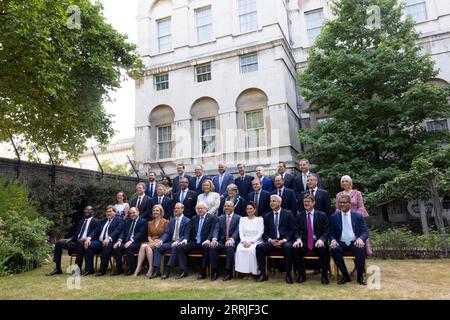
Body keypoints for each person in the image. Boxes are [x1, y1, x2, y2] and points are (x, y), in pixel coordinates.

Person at [46, 206, 100, 276]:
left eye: (88, 210)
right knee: (58, 243)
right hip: (76, 243)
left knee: (80, 242)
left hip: (86, 244)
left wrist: (87, 238)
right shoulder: (81, 222)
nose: (86, 211)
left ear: (92, 212)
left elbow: (94, 232)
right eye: (85, 210)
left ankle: (78, 268)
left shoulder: (96, 221)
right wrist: (70, 239)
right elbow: (77, 234)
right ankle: (57, 268)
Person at [329, 195, 369, 285]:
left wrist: (360, 239)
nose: (342, 204)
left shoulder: (358, 216)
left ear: (349, 204)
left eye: (344, 202)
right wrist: (333, 240)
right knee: (334, 249)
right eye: (340, 202)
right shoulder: (334, 217)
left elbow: (365, 232)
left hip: (354, 242)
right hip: (341, 242)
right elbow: (330, 232)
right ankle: (345, 275)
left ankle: (360, 277)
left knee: (360, 248)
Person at [256, 195, 295, 284]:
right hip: (272, 241)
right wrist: (270, 240)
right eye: (271, 201)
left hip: (284, 241)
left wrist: (284, 240)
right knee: (259, 247)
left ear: (280, 203)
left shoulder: (288, 213)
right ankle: (262, 273)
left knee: (288, 247)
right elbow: (264, 232)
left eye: (274, 201)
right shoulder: (266, 216)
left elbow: (293, 230)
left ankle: (288, 274)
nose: (271, 203)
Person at [336, 175, 372, 269]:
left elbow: (361, 207)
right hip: (344, 222)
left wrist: (354, 216)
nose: (344, 183)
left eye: (346, 181)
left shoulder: (357, 193)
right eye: (342, 181)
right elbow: (337, 209)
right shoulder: (339, 195)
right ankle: (357, 267)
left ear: (350, 182)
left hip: (356, 223)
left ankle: (359, 267)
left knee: (358, 244)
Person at [292, 194, 330, 285]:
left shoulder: (322, 215)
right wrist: (298, 239)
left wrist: (322, 239)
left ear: (313, 203)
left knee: (324, 250)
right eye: (304, 202)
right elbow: (296, 230)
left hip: (318, 241)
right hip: (305, 241)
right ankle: (301, 275)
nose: (306, 203)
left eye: (308, 201)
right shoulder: (300, 216)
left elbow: (326, 231)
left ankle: (324, 276)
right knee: (296, 249)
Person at [175, 202, 217, 280]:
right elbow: (188, 230)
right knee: (180, 247)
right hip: (195, 242)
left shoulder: (212, 218)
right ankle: (184, 271)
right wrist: (185, 239)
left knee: (206, 247)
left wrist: (208, 239)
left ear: (206, 209)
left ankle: (202, 271)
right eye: (198, 208)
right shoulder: (194, 218)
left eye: (202, 208)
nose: (200, 210)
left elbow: (212, 231)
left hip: (205, 241)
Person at [86, 206, 124, 276]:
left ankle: (102, 270)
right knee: (89, 245)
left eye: (110, 211)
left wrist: (109, 238)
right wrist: (89, 238)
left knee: (107, 246)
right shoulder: (103, 221)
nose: (108, 213)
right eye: (107, 212)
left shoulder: (119, 220)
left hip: (111, 242)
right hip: (100, 241)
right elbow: (95, 230)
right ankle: (89, 269)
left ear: (114, 212)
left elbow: (117, 231)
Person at [133, 205, 169, 277]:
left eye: (157, 210)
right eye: (154, 210)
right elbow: (149, 235)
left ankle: (146, 268)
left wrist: (159, 240)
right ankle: (146, 268)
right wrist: (151, 241)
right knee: (144, 246)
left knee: (144, 246)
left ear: (161, 211)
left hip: (161, 242)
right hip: (151, 241)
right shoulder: (150, 222)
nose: (155, 212)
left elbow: (167, 234)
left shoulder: (166, 221)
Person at [157, 203, 191, 279]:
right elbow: (167, 232)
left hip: (181, 242)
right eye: (175, 208)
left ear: (183, 209)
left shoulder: (187, 221)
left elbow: (186, 234)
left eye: (178, 208)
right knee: (158, 247)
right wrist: (161, 240)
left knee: (175, 247)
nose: (176, 210)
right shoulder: (172, 220)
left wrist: (178, 241)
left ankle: (167, 270)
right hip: (171, 242)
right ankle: (156, 269)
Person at [209, 201, 241, 281]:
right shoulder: (220, 218)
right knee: (213, 247)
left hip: (232, 242)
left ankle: (228, 272)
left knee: (229, 247)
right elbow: (216, 229)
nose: (226, 207)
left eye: (228, 206)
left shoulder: (239, 218)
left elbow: (237, 231)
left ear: (233, 208)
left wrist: (231, 239)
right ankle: (215, 271)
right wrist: (214, 239)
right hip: (222, 241)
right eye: (225, 206)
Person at [112, 207, 147, 275]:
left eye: (133, 213)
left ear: (138, 212)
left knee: (129, 247)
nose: (132, 214)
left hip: (138, 242)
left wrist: (131, 240)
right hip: (127, 242)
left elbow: (140, 233)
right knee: (117, 247)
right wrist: (119, 241)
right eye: (130, 213)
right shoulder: (127, 221)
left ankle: (131, 269)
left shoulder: (143, 221)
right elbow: (123, 233)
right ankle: (119, 269)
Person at [234, 202, 264, 278]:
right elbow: (241, 232)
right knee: (240, 249)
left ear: (254, 210)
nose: (249, 210)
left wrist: (251, 242)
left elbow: (260, 233)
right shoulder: (242, 219)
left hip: (256, 240)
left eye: (251, 208)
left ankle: (253, 272)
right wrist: (244, 241)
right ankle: (243, 272)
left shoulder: (259, 220)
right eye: (247, 209)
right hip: (244, 240)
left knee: (252, 250)